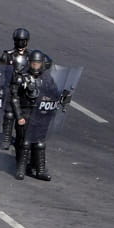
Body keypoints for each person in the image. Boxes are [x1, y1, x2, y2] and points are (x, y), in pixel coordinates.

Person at [7, 49, 68, 181]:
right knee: (25, 143)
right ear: (29, 63)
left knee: (40, 143)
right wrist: (19, 116)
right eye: (34, 63)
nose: (36, 66)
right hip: (27, 113)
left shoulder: (46, 78)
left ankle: (40, 170)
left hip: (41, 114)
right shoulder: (21, 78)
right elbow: (14, 98)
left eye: (38, 64)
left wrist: (62, 97)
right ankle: (20, 169)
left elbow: (54, 94)